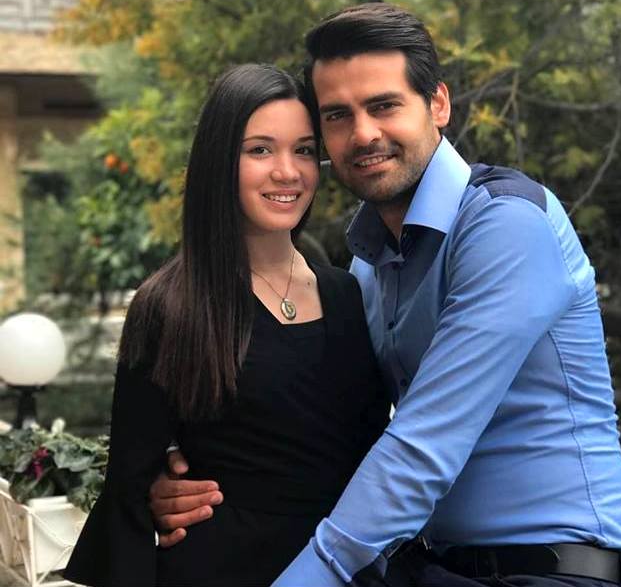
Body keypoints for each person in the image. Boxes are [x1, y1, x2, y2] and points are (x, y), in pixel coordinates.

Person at [151, 4, 621, 587]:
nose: (363, 134)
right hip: (431, 566)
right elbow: (318, 423)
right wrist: (184, 469)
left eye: (384, 105)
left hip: (554, 570)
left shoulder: (507, 223)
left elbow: (423, 446)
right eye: (338, 116)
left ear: (438, 104)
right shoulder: (367, 265)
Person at [63, 63, 389, 587]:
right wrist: (155, 492)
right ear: (219, 161)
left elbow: (375, 456)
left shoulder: (346, 293)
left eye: (304, 150)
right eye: (260, 150)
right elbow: (127, 491)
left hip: (341, 570)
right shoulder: (171, 305)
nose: (288, 171)